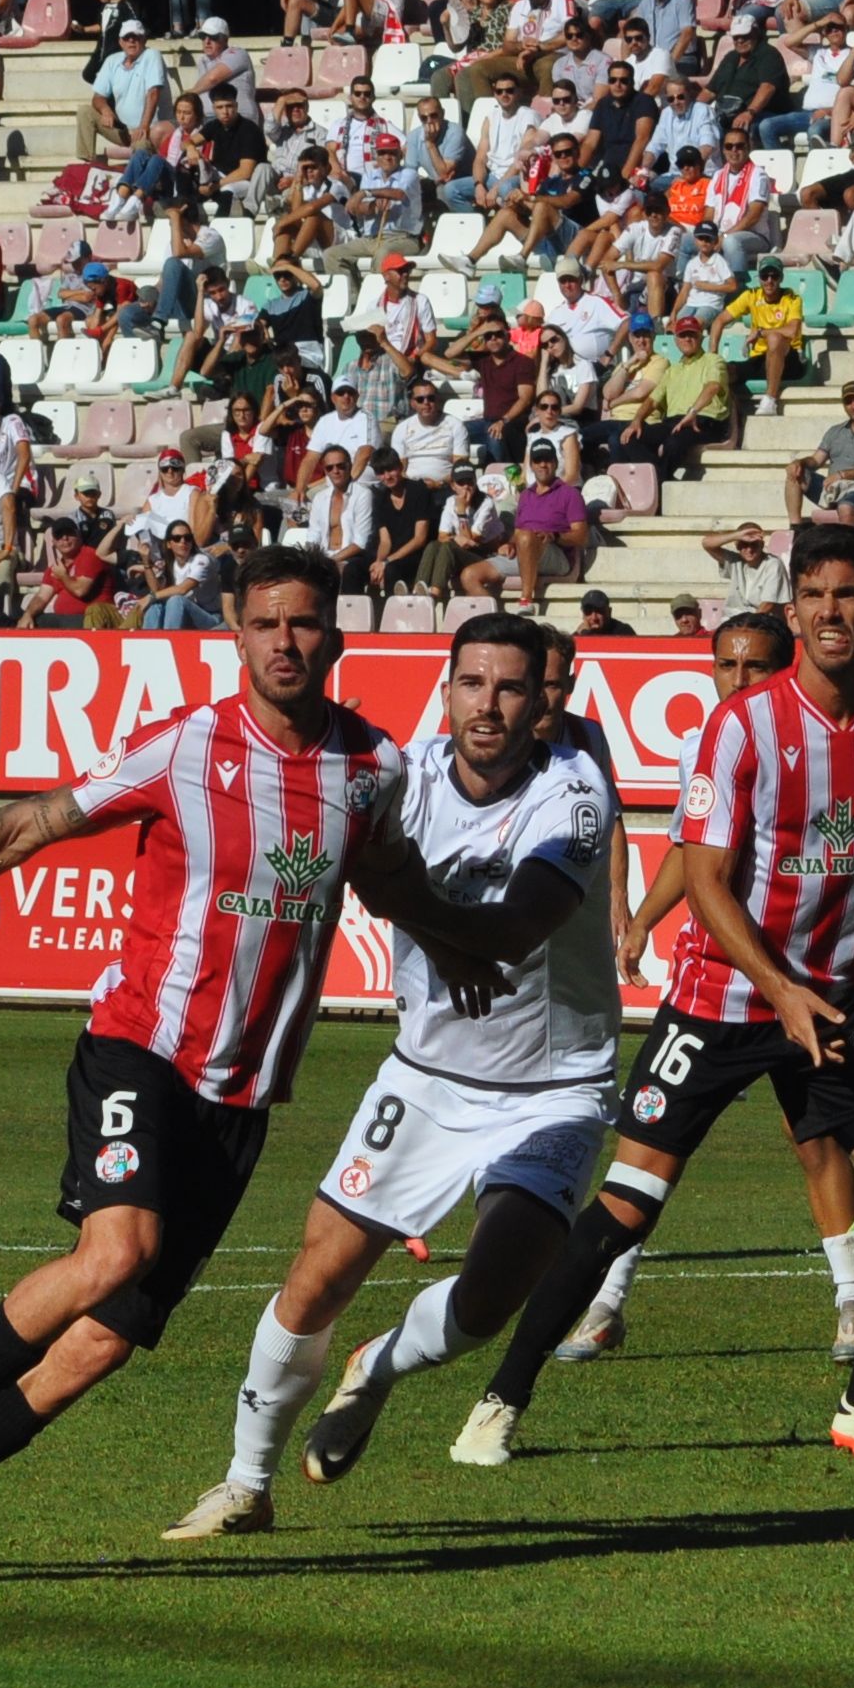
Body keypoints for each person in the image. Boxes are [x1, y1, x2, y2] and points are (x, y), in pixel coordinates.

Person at [0, 549, 518, 1577]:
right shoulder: (187, 749)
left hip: (243, 1097)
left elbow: (391, 880)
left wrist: (459, 942)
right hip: (141, 1049)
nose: (285, 642)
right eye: (266, 623)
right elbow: (25, 828)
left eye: (304, 623)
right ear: (236, 631)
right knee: (113, 1254)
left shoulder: (374, 768)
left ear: (336, 638)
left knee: (104, 1340)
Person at [457, 525, 854, 1462]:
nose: (833, 612)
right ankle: (501, 1402)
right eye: (817, 595)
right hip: (719, 1002)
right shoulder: (743, 724)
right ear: (797, 609)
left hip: (833, 1002)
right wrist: (772, 986)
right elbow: (705, 876)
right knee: (627, 1203)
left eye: (850, 594)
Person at [158, 616, 621, 1534]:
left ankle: (378, 1367)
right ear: (446, 689)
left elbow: (517, 927)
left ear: (542, 705)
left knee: (493, 1293)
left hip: (554, 1087)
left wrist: (416, 909)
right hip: (425, 1076)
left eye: (512, 689)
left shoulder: (575, 798)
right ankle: (245, 1485)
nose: (488, 706)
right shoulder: (398, 781)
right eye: (472, 684)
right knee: (319, 1270)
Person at [556, 612, 854, 1364]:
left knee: (818, 1142)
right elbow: (689, 849)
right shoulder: (712, 738)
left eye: (755, 667)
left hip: (801, 983)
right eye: (726, 666)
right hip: (714, 992)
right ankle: (605, 1307)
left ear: (785, 665)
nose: (738, 681)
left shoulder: (812, 740)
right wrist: (641, 921)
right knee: (648, 1152)